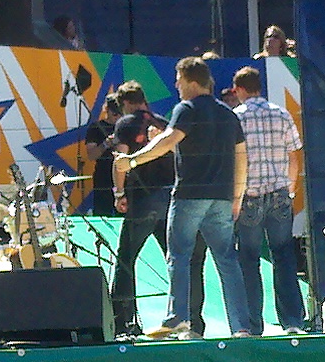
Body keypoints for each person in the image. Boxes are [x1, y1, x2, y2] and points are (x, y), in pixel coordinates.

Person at [114, 57, 250, 339]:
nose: (176, 85)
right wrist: (237, 196)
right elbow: (242, 158)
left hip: (189, 195)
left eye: (178, 80)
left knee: (179, 255)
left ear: (190, 81)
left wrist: (133, 161)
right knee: (227, 260)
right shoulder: (228, 114)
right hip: (222, 198)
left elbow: (166, 141)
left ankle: (178, 319)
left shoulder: (186, 109)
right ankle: (241, 326)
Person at [110, 81, 207, 338]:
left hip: (142, 199)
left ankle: (123, 321)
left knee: (125, 260)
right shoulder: (165, 122)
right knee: (177, 261)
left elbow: (120, 160)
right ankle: (186, 319)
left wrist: (119, 193)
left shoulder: (125, 124)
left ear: (126, 104)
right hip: (170, 198)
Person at [231, 66, 305, 335]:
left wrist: (235, 198)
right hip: (279, 195)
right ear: (259, 87)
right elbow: (294, 156)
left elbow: (234, 161)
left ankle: (252, 325)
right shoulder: (281, 114)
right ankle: (293, 322)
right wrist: (291, 190)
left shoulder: (236, 117)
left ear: (239, 89)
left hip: (249, 196)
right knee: (284, 256)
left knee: (249, 260)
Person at [85, 93, 123, 217]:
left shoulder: (124, 126)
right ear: (106, 110)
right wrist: (105, 144)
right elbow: (91, 155)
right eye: (114, 113)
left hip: (123, 176)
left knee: (122, 214)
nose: (117, 117)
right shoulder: (96, 128)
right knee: (102, 213)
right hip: (103, 177)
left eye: (120, 113)